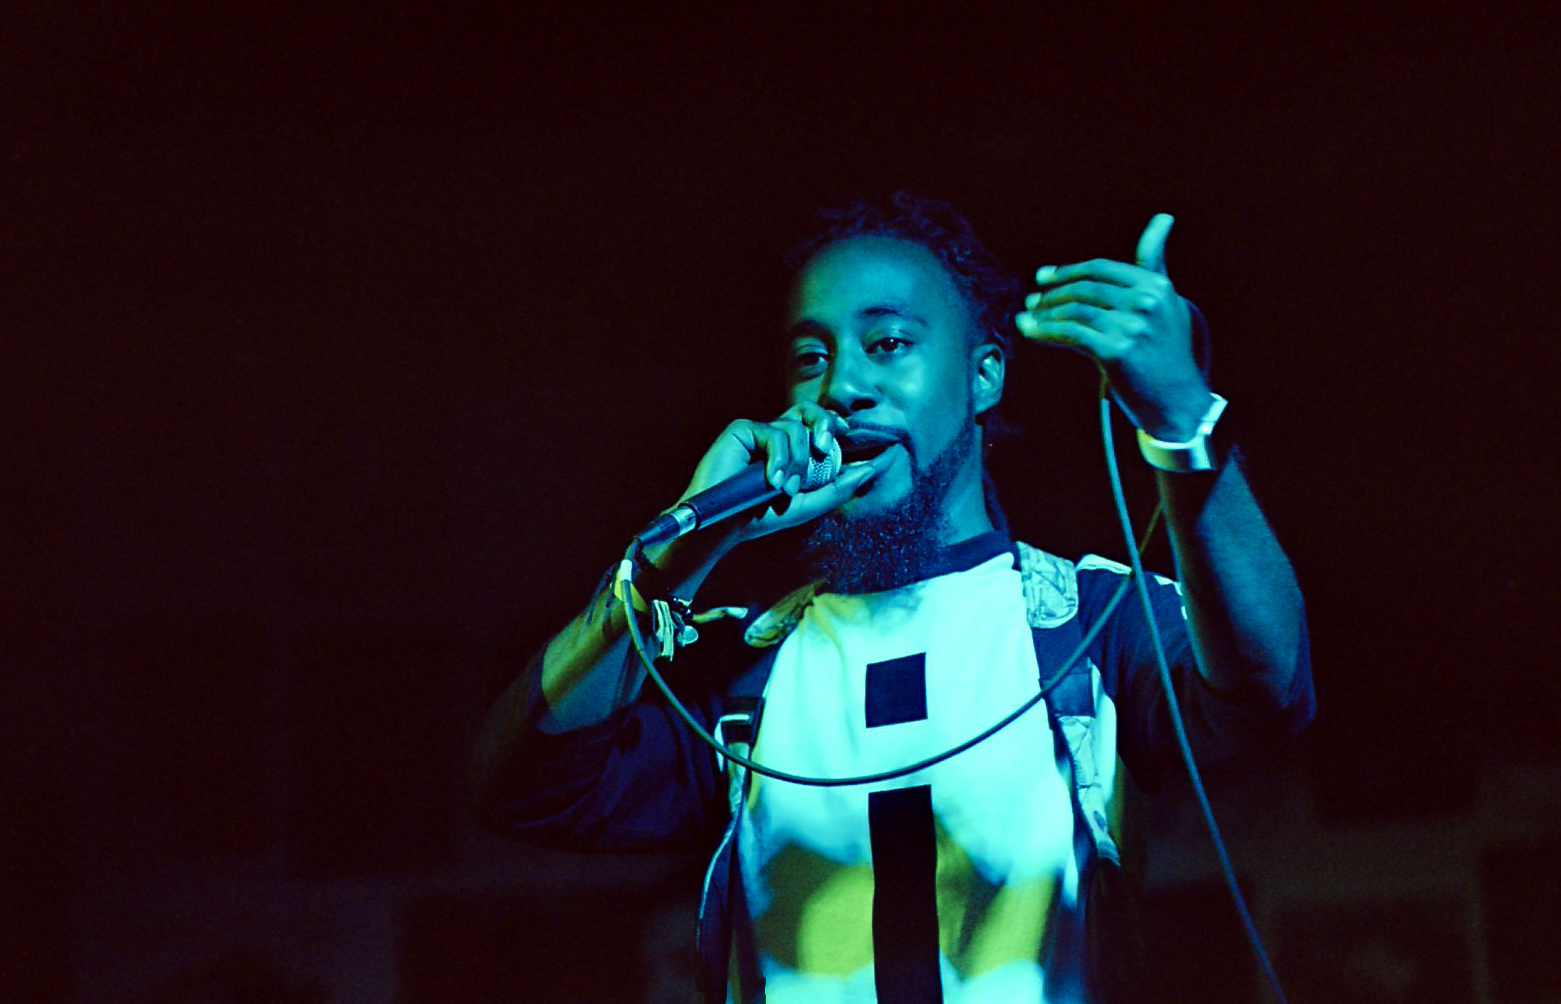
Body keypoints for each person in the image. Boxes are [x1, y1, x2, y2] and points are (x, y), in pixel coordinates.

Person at [469, 192, 1314, 1003]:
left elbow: (1269, 687)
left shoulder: (1089, 617)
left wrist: (1181, 421)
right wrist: (685, 549)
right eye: (811, 358)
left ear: (984, 375)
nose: (841, 387)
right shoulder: (744, 662)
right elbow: (526, 786)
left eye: (887, 343)